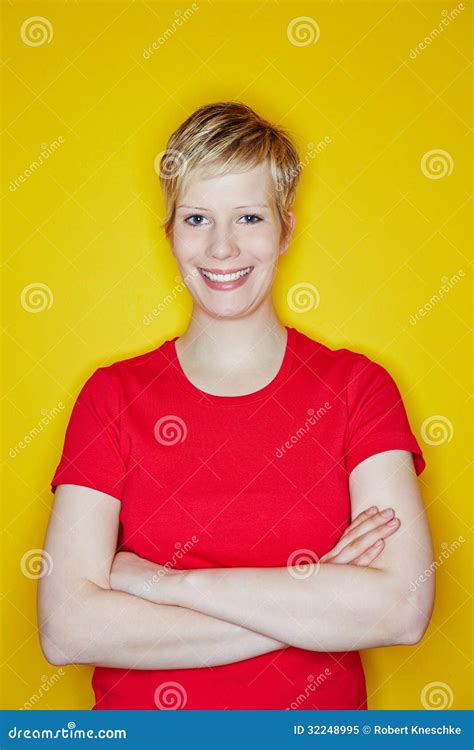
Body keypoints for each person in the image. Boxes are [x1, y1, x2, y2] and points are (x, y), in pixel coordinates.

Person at [38, 101, 435, 710]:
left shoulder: (359, 389)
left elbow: (401, 610)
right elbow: (67, 629)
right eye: (197, 218)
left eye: (249, 216)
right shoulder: (111, 397)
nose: (222, 247)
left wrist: (164, 583)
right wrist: (314, 603)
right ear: (169, 232)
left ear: (286, 231)